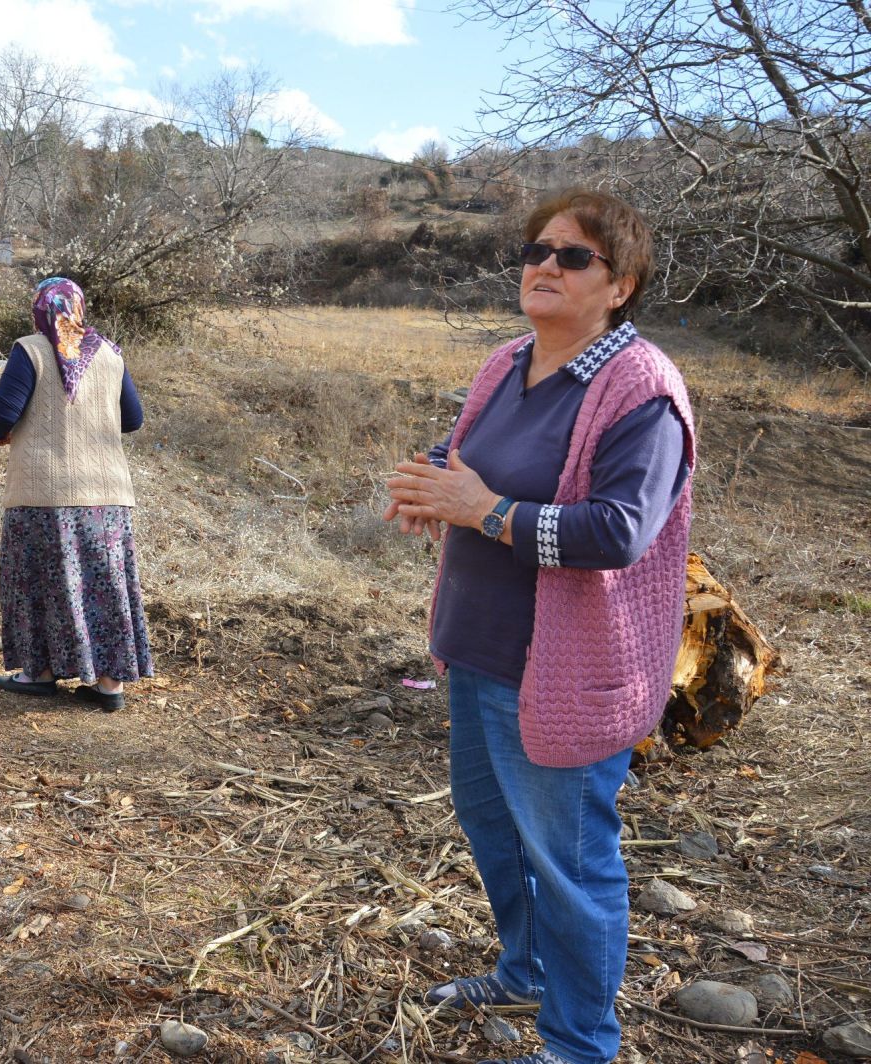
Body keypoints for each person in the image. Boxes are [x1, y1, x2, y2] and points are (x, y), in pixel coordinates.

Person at [383, 189, 695, 1064]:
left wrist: (484, 511)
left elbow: (618, 533)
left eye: (574, 256)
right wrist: (433, 483)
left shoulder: (642, 389)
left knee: (571, 866)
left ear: (621, 285)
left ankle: (579, 1045)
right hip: (478, 650)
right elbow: (470, 461)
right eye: (536, 251)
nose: (546, 266)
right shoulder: (506, 363)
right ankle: (524, 971)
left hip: (566, 672)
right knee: (496, 834)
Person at [0, 277, 153, 711]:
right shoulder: (110, 353)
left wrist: (6, 432)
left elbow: (2, 412)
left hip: (44, 493)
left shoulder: (32, 349)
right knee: (105, 588)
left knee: (38, 584)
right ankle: (109, 685)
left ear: (41, 310)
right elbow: (133, 419)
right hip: (108, 498)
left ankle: (39, 674)